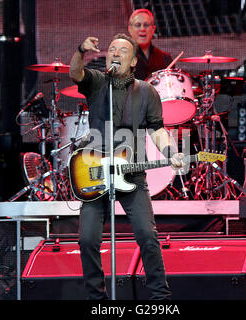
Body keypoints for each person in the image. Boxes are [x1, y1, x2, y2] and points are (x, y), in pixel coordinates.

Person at [69, 33, 184, 300]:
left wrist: (171, 152)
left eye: (122, 51)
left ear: (133, 61)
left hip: (132, 174)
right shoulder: (98, 82)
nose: (115, 54)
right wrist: (80, 50)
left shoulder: (147, 92)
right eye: (111, 50)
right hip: (95, 174)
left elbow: (157, 130)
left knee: (147, 236)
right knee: (87, 240)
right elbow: (75, 73)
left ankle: (160, 298)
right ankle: (97, 299)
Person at [127, 8, 173, 80]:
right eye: (138, 25)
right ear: (130, 29)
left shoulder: (166, 59)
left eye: (146, 25)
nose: (142, 29)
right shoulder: (121, 58)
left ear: (153, 29)